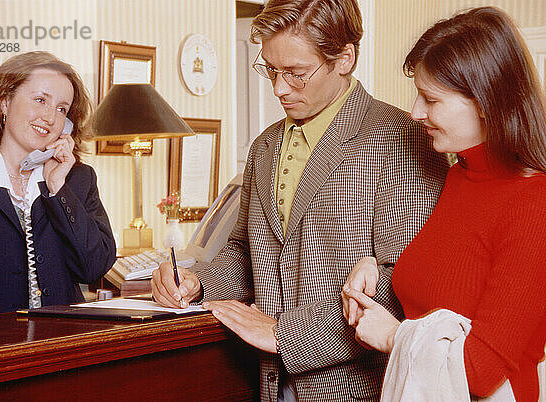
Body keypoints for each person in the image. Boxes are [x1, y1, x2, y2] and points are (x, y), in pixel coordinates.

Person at [153, 0, 448, 400]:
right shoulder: (264, 145)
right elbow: (246, 252)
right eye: (271, 70)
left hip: (358, 388)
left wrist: (284, 336)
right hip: (267, 382)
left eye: (295, 73)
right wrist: (196, 284)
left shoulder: (404, 139)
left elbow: (405, 285)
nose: (279, 88)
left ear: (345, 58)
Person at [341, 7, 546, 401]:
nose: (416, 112)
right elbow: (443, 295)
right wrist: (372, 268)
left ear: (486, 101)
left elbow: (479, 372)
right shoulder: (458, 175)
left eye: (430, 99)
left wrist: (392, 336)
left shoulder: (534, 203)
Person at [0, 51, 116, 320]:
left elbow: (94, 268)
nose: (50, 118)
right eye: (40, 100)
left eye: (61, 109)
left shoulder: (78, 180)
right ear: (5, 102)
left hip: (62, 347)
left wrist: (57, 187)